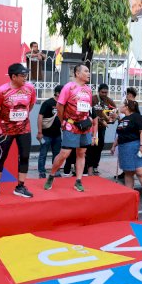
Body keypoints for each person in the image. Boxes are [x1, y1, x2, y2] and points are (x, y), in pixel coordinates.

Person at [45, 64, 97, 192]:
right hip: (70, 125)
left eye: (89, 71)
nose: (89, 73)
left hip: (85, 126)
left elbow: (87, 108)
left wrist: (89, 119)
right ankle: (51, 175)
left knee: (81, 153)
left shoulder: (88, 90)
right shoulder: (69, 87)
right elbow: (59, 106)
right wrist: (64, 121)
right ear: (77, 73)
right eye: (86, 71)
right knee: (65, 153)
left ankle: (78, 180)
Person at [0, 63, 37, 198]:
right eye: (22, 75)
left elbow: (31, 105)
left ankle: (20, 186)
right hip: (6, 129)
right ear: (13, 76)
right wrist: (8, 119)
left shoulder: (30, 88)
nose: (25, 78)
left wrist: (21, 117)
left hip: (24, 129)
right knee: (1, 157)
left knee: (25, 157)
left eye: (26, 75)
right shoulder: (1, 91)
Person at [111, 100, 142, 205]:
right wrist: (113, 146)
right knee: (128, 172)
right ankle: (130, 194)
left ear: (127, 107)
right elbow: (120, 134)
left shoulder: (138, 117)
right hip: (124, 149)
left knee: (141, 172)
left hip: (136, 147)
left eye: (122, 105)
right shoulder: (123, 119)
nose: (120, 106)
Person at [87, 84, 117, 175]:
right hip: (91, 128)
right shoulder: (92, 99)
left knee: (99, 147)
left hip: (102, 129)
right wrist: (98, 120)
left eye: (106, 92)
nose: (104, 94)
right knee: (91, 147)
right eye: (102, 92)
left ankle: (95, 166)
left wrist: (112, 118)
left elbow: (115, 111)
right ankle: (89, 166)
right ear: (98, 91)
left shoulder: (109, 101)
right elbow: (87, 112)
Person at [37, 85, 63, 179]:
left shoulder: (63, 104)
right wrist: (40, 132)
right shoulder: (48, 103)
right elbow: (40, 117)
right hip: (46, 134)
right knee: (43, 154)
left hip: (57, 135)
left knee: (57, 155)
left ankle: (55, 171)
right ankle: (41, 172)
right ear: (57, 93)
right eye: (63, 92)